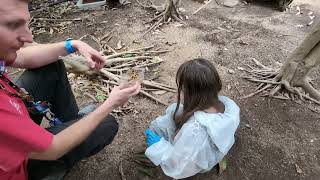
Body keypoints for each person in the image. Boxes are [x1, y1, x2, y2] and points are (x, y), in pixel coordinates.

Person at [0, 0, 141, 179]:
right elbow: (54, 148)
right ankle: (46, 172)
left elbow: (23, 57)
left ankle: (72, 123)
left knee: (51, 65)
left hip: (13, 113)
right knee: (106, 123)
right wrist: (110, 103)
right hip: (17, 168)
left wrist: (73, 45)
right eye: (13, 25)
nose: (28, 37)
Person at [144, 58, 240, 179]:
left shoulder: (194, 131)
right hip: (209, 148)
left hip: (196, 160)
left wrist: (160, 147)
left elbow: (178, 165)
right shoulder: (229, 105)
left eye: (183, 88)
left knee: (160, 128)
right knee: (174, 113)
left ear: (192, 93)